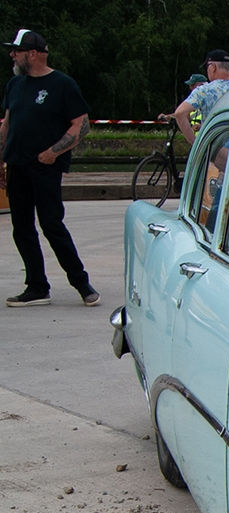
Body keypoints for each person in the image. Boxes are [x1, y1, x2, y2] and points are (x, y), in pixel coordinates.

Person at [1, 29, 97, 307]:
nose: (12, 55)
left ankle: (81, 282)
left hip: (44, 167)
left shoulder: (62, 85)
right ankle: (36, 286)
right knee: (21, 227)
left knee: (51, 224)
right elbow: (7, 124)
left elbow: (81, 125)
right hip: (17, 165)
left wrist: (53, 152)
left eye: (16, 51)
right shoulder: (15, 85)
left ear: (32, 53)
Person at [172, 49, 229, 144]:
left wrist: (196, 144)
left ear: (213, 67)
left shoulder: (204, 90)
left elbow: (179, 113)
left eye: (207, 66)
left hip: (214, 152)